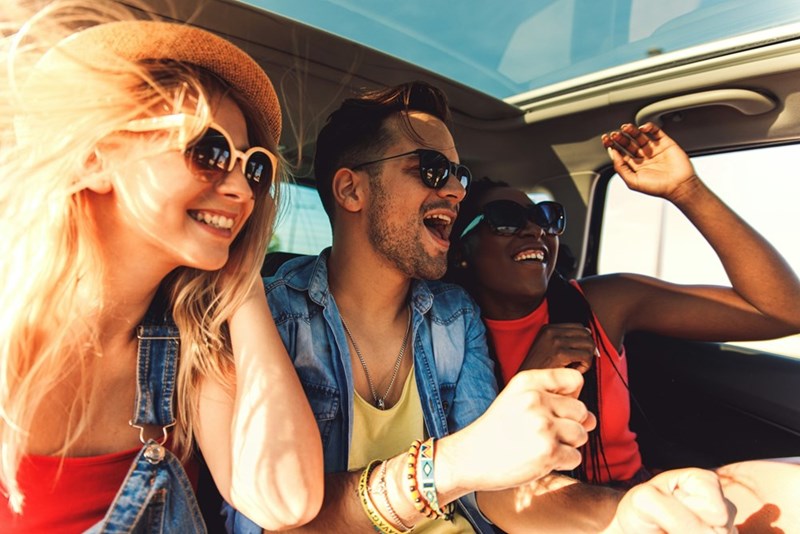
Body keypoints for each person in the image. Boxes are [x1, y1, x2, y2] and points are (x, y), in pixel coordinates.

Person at [224, 82, 736, 533]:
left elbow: (497, 492)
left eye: (459, 176)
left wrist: (622, 514)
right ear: (351, 189)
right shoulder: (266, 319)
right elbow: (272, 521)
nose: (453, 189)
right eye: (431, 168)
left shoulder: (453, 316)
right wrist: (448, 467)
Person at [0, 2, 323, 531]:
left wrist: (244, 283)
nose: (242, 189)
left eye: (254, 166)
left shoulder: (188, 351)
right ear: (94, 159)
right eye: (209, 151)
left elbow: (286, 499)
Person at [445, 122, 800, 531]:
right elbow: (481, 475)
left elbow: (780, 310)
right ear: (462, 253)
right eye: (505, 218)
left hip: (642, 492)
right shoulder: (444, 335)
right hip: (537, 512)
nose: (534, 229)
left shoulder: (601, 302)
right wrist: (531, 376)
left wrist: (687, 191)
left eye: (546, 216)